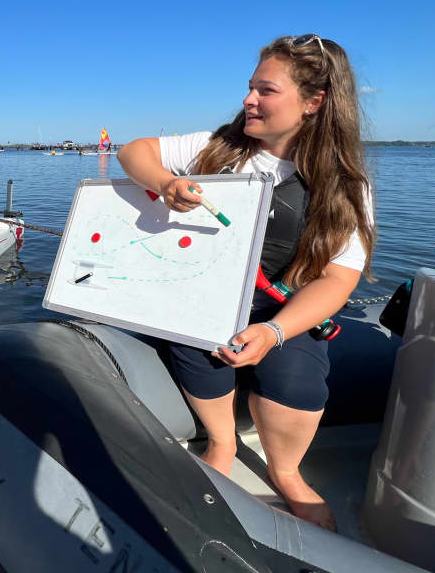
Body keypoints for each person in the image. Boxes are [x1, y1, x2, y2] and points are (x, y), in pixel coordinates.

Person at [118, 34, 375, 531]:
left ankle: (286, 471)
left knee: (296, 379)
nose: (248, 100)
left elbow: (338, 278)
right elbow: (134, 151)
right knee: (198, 346)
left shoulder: (347, 185)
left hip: (284, 305)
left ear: (314, 102)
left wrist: (275, 332)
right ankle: (223, 441)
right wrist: (165, 182)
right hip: (209, 295)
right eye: (249, 87)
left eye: (265, 90)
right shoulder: (216, 148)